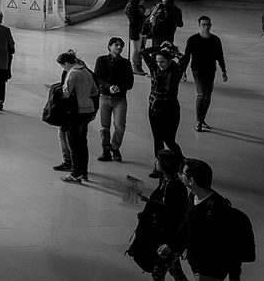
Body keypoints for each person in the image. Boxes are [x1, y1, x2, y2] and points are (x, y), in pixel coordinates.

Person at [122, 146, 193, 281]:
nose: (155, 163)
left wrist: (149, 202)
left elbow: (173, 212)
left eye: (157, 161)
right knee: (177, 273)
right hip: (169, 237)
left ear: (164, 165)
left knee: (159, 274)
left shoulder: (175, 185)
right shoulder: (166, 180)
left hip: (171, 239)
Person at [54, 50, 100, 184]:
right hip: (88, 110)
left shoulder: (72, 73)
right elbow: (95, 91)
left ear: (67, 63)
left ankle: (75, 173)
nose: (63, 69)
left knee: (73, 144)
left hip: (76, 112)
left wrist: (57, 91)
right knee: (82, 143)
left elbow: (66, 93)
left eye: (63, 66)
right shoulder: (86, 71)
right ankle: (83, 173)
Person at [140, 42, 184, 176]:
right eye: (158, 61)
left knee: (169, 140)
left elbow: (184, 59)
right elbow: (143, 52)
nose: (160, 64)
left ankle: (182, 163)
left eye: (163, 62)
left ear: (169, 61)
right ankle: (158, 166)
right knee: (158, 139)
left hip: (170, 111)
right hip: (154, 110)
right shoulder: (154, 68)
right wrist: (159, 47)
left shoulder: (176, 71)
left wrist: (173, 50)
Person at [180, 16, 227, 132]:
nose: (206, 27)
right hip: (197, 70)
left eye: (208, 24)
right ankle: (199, 121)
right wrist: (183, 71)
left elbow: (219, 56)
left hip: (210, 70)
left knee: (208, 95)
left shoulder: (215, 40)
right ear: (199, 25)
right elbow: (187, 56)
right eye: (203, 25)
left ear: (211, 25)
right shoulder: (193, 39)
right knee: (201, 94)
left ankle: (202, 119)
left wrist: (224, 71)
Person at [93, 37, 134, 161]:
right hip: (105, 96)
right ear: (109, 47)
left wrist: (119, 88)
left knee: (120, 125)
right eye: (116, 45)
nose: (119, 47)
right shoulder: (101, 60)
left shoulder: (126, 63)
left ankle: (115, 148)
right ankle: (105, 148)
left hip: (119, 99)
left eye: (121, 46)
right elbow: (97, 78)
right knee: (104, 125)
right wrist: (109, 87)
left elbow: (130, 82)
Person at [126, 0, 149, 73]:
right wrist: (144, 15)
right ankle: (134, 67)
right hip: (136, 31)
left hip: (143, 30)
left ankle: (139, 66)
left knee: (142, 49)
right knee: (136, 50)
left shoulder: (139, 6)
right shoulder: (131, 7)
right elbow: (135, 20)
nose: (143, 1)